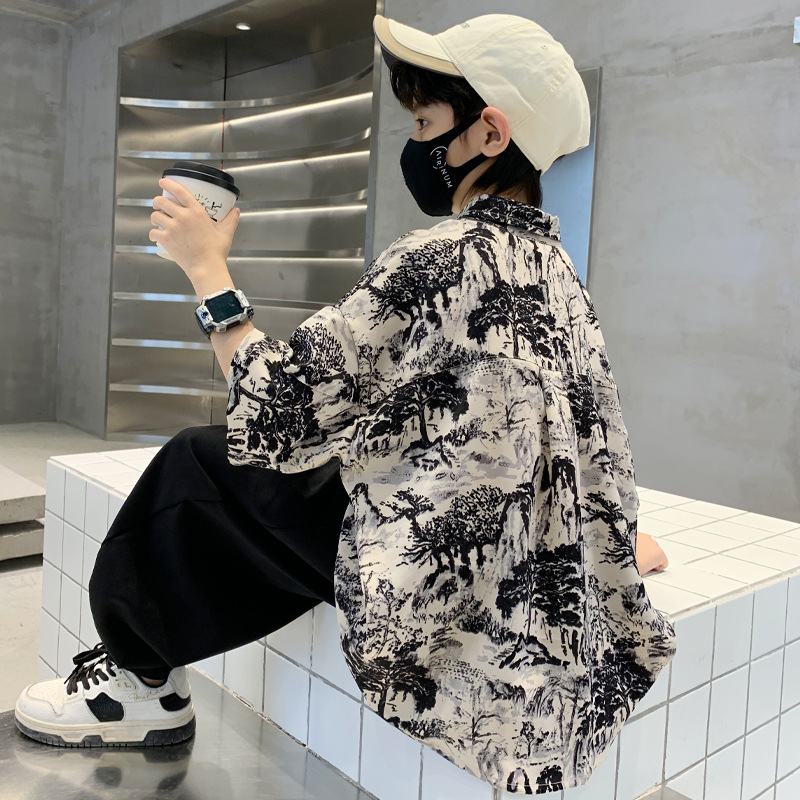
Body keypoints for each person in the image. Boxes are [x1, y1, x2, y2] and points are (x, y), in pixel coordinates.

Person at [15, 12, 676, 795]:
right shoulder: (558, 274)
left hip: (436, 583)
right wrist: (602, 543)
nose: (415, 141)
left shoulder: (440, 257)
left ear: (490, 133)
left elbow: (278, 409)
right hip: (511, 562)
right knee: (310, 479)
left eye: (425, 123)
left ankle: (139, 682)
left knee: (200, 462)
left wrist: (206, 270)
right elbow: (592, 437)